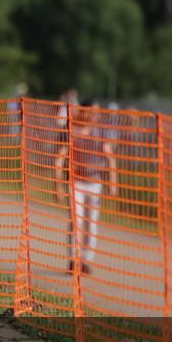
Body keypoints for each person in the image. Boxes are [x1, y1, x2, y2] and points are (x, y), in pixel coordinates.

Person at [65, 102, 117, 276]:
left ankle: (86, 260)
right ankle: (73, 259)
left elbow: (110, 157)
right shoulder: (73, 130)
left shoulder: (100, 132)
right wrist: (58, 183)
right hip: (76, 182)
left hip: (94, 182)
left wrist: (113, 182)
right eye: (91, 111)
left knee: (90, 223)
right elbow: (62, 156)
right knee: (76, 221)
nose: (94, 115)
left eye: (96, 112)